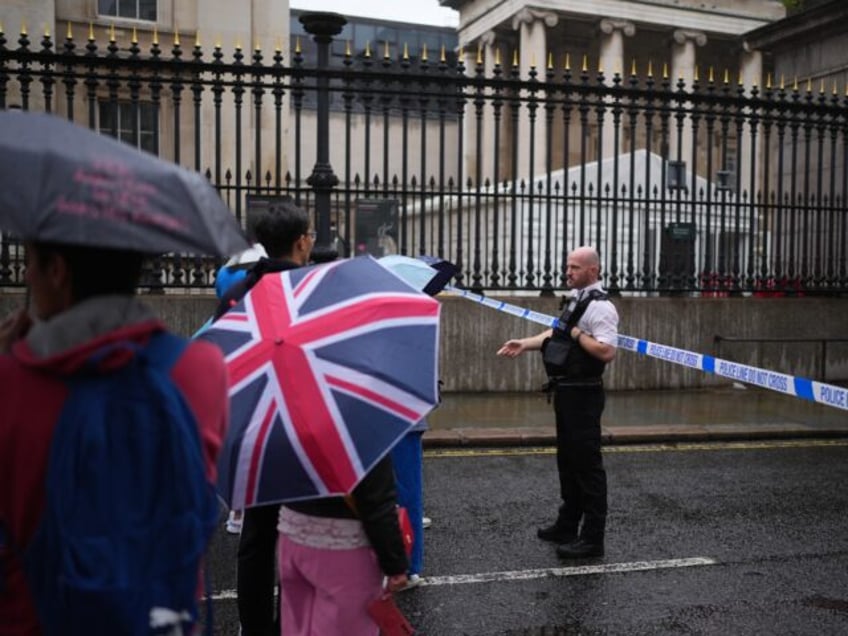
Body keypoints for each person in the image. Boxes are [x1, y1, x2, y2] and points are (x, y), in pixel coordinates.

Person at [0, 241, 229, 633]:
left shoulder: (11, 384)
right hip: (159, 617)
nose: (26, 275)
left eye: (32, 262)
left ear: (58, 271)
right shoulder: (201, 367)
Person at [212, 198, 314, 636]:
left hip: (252, 427)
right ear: (301, 242)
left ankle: (254, 626)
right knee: (299, 534)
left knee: (256, 535)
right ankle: (293, 621)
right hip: (299, 429)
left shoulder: (239, 290)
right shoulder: (310, 290)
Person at [497, 246, 618, 559]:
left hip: (585, 394)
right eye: (568, 266)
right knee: (568, 462)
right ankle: (567, 525)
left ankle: (593, 539)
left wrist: (578, 334)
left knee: (587, 466)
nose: (568, 272)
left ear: (593, 270)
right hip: (566, 391)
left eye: (575, 267)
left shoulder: (601, 307)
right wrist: (524, 344)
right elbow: (556, 334)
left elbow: (606, 351)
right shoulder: (578, 300)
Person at [278, 455, 409, 635]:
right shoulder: (361, 434)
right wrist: (395, 565)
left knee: (297, 627)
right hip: (343, 546)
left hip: (291, 536)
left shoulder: (288, 431)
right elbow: (377, 504)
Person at [390, 418, 428, 588]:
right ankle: (407, 565)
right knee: (404, 493)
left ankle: (407, 566)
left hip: (399, 423)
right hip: (400, 419)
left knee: (405, 494)